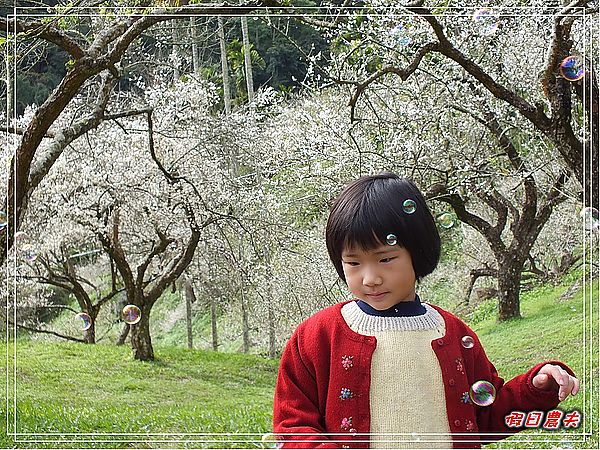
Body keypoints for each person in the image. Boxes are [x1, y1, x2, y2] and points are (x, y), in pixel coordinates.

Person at [272, 172, 579, 449]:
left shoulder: (452, 333)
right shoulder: (317, 335)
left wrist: (536, 387)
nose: (370, 278)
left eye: (385, 259)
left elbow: (486, 417)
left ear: (417, 253)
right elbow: (292, 424)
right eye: (353, 263)